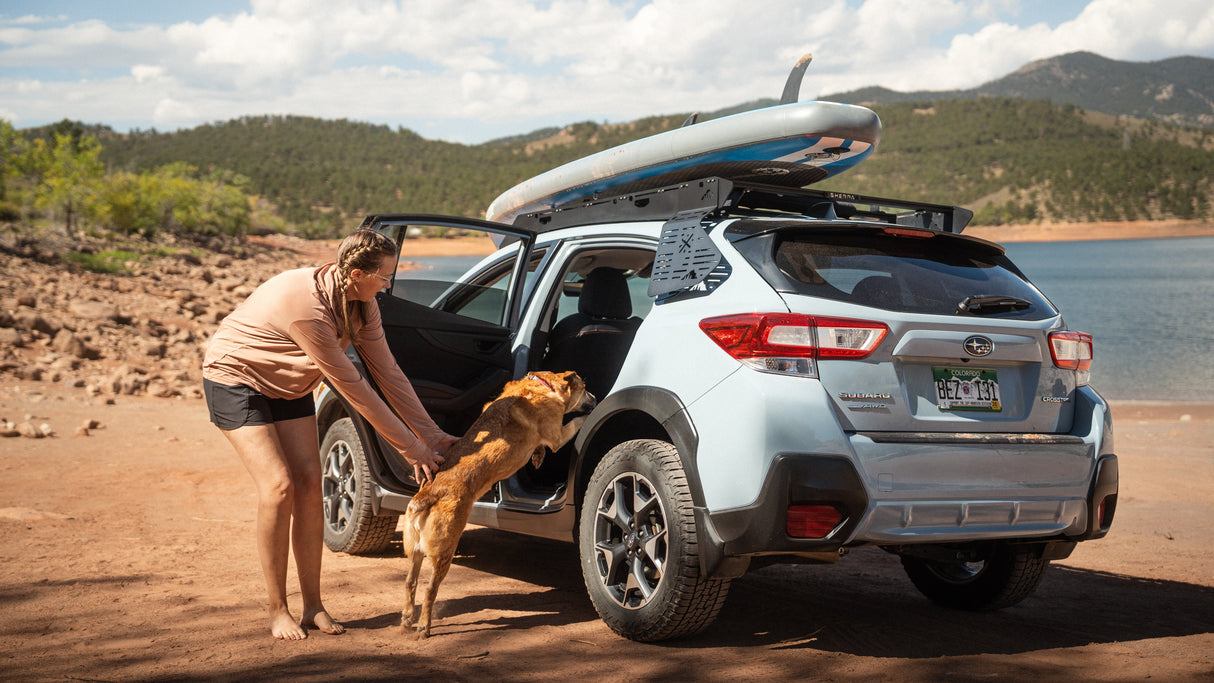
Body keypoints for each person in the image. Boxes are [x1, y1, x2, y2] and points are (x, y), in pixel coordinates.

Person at [202, 228, 458, 640]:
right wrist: (413, 448)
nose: (389, 284)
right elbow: (356, 390)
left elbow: (387, 373)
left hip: (289, 385)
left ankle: (313, 606)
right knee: (279, 486)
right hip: (237, 379)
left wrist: (432, 432)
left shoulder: (364, 303)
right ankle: (277, 609)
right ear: (357, 273)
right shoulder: (308, 309)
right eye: (384, 277)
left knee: (308, 484)